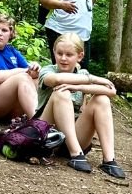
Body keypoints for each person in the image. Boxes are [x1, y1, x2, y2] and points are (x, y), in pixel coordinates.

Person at [36, 32, 126, 178]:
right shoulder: (48, 71)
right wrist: (92, 79)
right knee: (61, 92)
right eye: (59, 53)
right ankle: (76, 154)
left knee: (102, 99)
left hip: (73, 135)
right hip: (46, 135)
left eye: (69, 54)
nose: (63, 58)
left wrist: (80, 87)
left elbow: (111, 91)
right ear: (54, 52)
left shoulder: (82, 73)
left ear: (79, 56)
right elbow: (57, 80)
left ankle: (109, 160)